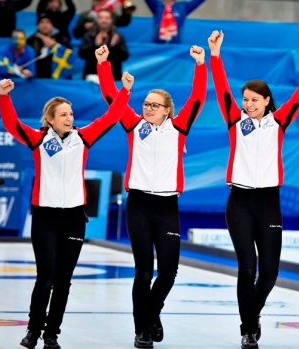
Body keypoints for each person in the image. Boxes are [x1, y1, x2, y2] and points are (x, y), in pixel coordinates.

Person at [207, 29, 299, 349]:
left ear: (267, 101)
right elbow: (220, 89)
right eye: (245, 99)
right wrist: (215, 56)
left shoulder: (279, 121)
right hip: (240, 202)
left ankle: (252, 314)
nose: (247, 104)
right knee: (247, 267)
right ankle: (248, 329)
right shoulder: (235, 121)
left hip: (269, 203)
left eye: (254, 100)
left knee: (270, 271)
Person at [0, 73, 133, 349]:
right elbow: (12, 124)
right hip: (45, 217)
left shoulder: (83, 138)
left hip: (73, 218)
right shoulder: (37, 139)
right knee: (45, 276)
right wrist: (3, 96)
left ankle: (52, 334)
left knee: (63, 280)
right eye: (63, 115)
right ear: (50, 119)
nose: (69, 118)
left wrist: (126, 91)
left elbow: (111, 117)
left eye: (71, 113)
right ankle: (33, 330)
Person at [95, 43, 207, 348]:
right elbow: (110, 98)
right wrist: (104, 66)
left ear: (168, 110)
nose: (148, 108)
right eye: (146, 103)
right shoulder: (134, 126)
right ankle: (141, 330)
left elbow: (198, 97)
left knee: (168, 271)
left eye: (154, 105)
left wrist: (200, 64)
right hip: (140, 205)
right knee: (143, 272)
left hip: (167, 205)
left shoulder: (179, 128)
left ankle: (153, 311)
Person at [79, 9, 129, 81]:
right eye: (101, 18)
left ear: (111, 20)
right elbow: (82, 54)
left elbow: (125, 56)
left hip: (113, 76)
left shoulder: (117, 36)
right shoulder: (89, 35)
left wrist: (114, 46)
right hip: (92, 75)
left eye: (107, 18)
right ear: (97, 20)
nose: (104, 20)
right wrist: (95, 45)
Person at [27, 13, 71, 79]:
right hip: (37, 77)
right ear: (37, 25)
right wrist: (43, 49)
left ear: (52, 25)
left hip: (56, 78)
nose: (44, 25)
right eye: (41, 22)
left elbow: (69, 53)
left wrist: (55, 45)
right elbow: (29, 59)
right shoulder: (31, 40)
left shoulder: (61, 38)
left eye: (48, 22)